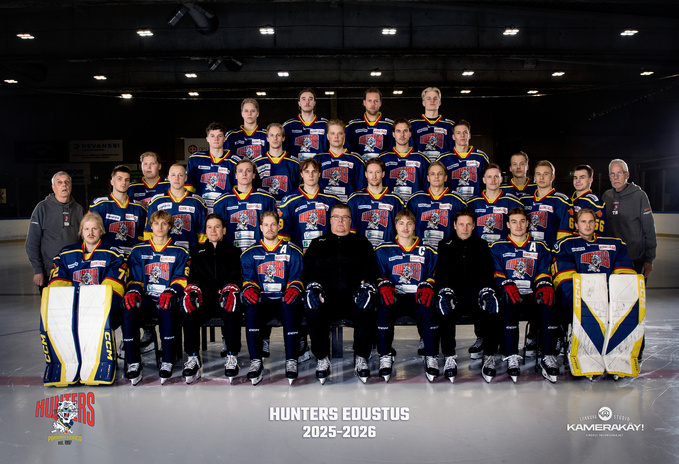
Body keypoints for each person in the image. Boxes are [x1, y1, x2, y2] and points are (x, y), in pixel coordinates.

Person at [302, 203, 378, 384]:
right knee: (313, 309)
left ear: (351, 220)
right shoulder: (317, 244)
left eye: (345, 217)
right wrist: (312, 286)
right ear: (330, 220)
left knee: (367, 308)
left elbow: (372, 271)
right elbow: (307, 272)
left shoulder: (362, 243)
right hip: (326, 299)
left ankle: (361, 356)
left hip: (353, 299)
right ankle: (322, 358)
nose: (340, 221)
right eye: (336, 217)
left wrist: (367, 287)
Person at [489, 207, 559, 383]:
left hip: (531, 295)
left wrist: (544, 283)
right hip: (510, 296)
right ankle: (511, 355)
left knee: (549, 300)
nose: (518, 225)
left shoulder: (540, 246)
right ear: (507, 225)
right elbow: (496, 272)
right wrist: (505, 283)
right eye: (514, 222)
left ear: (528, 223)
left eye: (522, 221)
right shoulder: (498, 247)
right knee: (508, 300)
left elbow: (543, 271)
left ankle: (548, 355)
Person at [122, 210, 190, 386]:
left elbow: (181, 278)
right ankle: (133, 362)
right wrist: (134, 291)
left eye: (164, 223)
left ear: (170, 227)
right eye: (156, 223)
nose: (160, 227)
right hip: (146, 298)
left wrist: (172, 290)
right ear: (150, 226)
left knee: (167, 306)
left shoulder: (180, 251)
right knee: (129, 308)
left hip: (167, 297)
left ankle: (167, 360)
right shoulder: (138, 250)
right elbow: (135, 279)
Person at [240, 211, 305, 385]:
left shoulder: (293, 251)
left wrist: (294, 287)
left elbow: (296, 278)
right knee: (251, 307)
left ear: (279, 226)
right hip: (263, 301)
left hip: (283, 300)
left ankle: (291, 359)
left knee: (291, 305)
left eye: (273, 224)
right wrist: (249, 288)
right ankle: (256, 360)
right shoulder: (250, 253)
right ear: (260, 228)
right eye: (266, 225)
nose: (270, 228)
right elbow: (249, 279)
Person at [374, 210, 439, 382]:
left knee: (429, 310)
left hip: (417, 296)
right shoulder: (384, 249)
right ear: (395, 226)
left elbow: (433, 273)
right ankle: (385, 355)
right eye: (401, 223)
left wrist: (429, 284)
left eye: (409, 223)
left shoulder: (427, 250)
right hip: (394, 296)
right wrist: (383, 283)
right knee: (383, 311)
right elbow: (378, 273)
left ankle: (431, 355)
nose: (405, 227)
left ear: (414, 226)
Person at [435, 209, 499, 382]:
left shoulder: (481, 245)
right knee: (444, 310)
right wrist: (444, 291)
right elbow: (440, 273)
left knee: (492, 309)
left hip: (475, 296)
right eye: (461, 224)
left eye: (468, 224)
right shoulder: (444, 244)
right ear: (455, 225)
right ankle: (449, 356)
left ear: (474, 226)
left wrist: (487, 290)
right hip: (454, 296)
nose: (465, 228)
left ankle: (489, 355)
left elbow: (488, 273)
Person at [180, 213, 243, 384]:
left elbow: (237, 275)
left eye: (217, 227)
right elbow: (192, 278)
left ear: (224, 230)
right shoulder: (196, 252)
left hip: (224, 297)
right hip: (204, 299)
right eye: (209, 227)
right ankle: (193, 357)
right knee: (188, 307)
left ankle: (232, 355)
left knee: (233, 305)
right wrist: (194, 289)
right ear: (205, 230)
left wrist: (230, 288)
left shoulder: (234, 251)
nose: (213, 230)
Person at [47, 212, 127, 328]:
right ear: (81, 231)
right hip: (73, 309)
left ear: (101, 231)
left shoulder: (113, 254)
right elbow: (58, 288)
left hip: (99, 310)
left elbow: (113, 289)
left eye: (94, 228)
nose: (90, 233)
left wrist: (96, 307)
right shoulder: (66, 254)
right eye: (86, 229)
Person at [26, 171, 85, 294]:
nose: (64, 185)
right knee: (51, 305)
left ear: (71, 186)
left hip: (74, 270)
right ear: (53, 187)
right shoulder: (42, 208)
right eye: (59, 182)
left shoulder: (79, 209)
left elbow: (85, 240)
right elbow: (32, 242)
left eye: (67, 182)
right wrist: (38, 270)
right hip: (50, 271)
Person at [602, 158, 656, 278]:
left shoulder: (639, 196)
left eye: (619, 173)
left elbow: (649, 229)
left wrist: (649, 259)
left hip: (635, 260)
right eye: (612, 174)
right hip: (611, 258)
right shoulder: (606, 196)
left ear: (627, 175)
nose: (615, 177)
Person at [212, 158, 277, 251]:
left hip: (259, 252)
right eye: (240, 171)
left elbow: (273, 229)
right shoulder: (222, 201)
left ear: (254, 175)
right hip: (230, 252)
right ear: (236, 175)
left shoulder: (266, 199)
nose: (244, 174)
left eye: (248, 171)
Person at [279, 158, 342, 252]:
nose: (311, 175)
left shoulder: (332, 199)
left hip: (327, 253)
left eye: (314, 171)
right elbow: (284, 235)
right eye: (307, 171)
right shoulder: (289, 200)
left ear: (319, 174)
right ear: (301, 174)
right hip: (299, 252)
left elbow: (339, 231)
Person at [145, 164, 208, 250]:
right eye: (173, 175)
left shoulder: (197, 201)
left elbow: (202, 234)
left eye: (180, 175)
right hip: (165, 253)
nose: (177, 178)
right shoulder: (157, 201)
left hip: (191, 253)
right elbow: (148, 232)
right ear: (168, 177)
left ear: (185, 178)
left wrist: (201, 252)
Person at [89, 165, 147, 256]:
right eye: (119, 179)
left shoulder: (139, 207)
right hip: (106, 256)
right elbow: (89, 233)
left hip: (130, 257)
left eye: (126, 180)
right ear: (112, 182)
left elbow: (142, 237)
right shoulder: (99, 205)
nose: (123, 182)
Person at [407, 161, 467, 250]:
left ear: (445, 178)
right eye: (432, 174)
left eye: (440, 174)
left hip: (448, 250)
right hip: (421, 250)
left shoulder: (456, 200)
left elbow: (464, 228)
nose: (436, 176)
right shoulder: (415, 199)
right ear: (428, 178)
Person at [347, 158, 405, 248]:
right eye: (370, 172)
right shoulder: (355, 199)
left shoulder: (395, 200)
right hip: (361, 250)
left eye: (377, 172)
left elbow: (401, 230)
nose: (374, 176)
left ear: (383, 174)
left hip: (387, 250)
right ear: (366, 174)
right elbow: (350, 230)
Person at [185, 122, 237, 213]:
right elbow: (188, 186)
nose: (216, 139)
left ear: (224, 139)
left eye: (219, 136)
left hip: (224, 209)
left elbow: (238, 188)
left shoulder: (234, 161)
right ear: (207, 139)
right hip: (202, 208)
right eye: (212, 136)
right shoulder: (195, 159)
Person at [520, 160, 573, 248]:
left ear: (553, 177)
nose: (541, 177)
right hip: (528, 251)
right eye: (538, 174)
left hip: (550, 252)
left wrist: (557, 252)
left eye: (546, 174)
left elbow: (565, 233)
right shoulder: (524, 200)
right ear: (534, 177)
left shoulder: (561, 201)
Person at [467, 163, 523, 244]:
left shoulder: (512, 202)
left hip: (503, 249)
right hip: (479, 248)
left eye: (496, 176)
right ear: (484, 180)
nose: (493, 180)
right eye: (489, 177)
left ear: (501, 179)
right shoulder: (473, 202)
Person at [378, 118, 430, 203]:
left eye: (405, 131)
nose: (402, 135)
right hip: (391, 205)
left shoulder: (421, 158)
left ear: (410, 133)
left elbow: (427, 187)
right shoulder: (383, 158)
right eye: (398, 131)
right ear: (393, 134)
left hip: (414, 205)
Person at [315, 119, 367, 203]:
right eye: (332, 133)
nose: (336, 137)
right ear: (327, 136)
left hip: (347, 206)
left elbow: (361, 189)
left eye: (339, 133)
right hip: (324, 205)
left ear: (344, 135)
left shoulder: (356, 159)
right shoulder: (317, 159)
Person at [437, 120, 489, 201]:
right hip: (452, 203)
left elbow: (488, 182)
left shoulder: (481, 157)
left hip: (476, 203)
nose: (462, 135)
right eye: (458, 133)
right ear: (453, 137)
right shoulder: (443, 158)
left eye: (465, 132)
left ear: (469, 135)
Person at [253, 123, 300, 205]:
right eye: (271, 135)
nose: (275, 138)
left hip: (287, 208)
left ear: (283, 138)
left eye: (278, 135)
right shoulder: (256, 163)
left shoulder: (295, 163)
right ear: (267, 138)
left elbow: (299, 191)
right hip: (265, 208)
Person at [345, 88, 394, 160]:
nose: (373, 104)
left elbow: (393, 152)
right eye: (369, 101)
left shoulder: (390, 125)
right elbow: (348, 152)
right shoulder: (352, 125)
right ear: (364, 102)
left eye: (376, 101)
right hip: (360, 166)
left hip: (382, 166)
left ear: (380, 103)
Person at [409, 87, 455, 162]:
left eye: (435, 98)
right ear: (423, 103)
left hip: (442, 166)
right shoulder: (413, 124)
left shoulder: (449, 125)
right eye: (429, 98)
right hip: (421, 165)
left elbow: (453, 151)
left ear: (439, 102)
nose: (432, 101)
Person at [283, 88, 328, 160]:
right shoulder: (288, 125)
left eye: (310, 99)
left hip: (319, 166)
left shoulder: (325, 124)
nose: (307, 102)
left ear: (314, 103)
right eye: (303, 99)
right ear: (299, 103)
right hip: (296, 166)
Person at [571, 164, 606, 235]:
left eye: (582, 177)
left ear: (591, 180)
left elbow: (597, 233)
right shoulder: (569, 200)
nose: (578, 181)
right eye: (575, 178)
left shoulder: (594, 202)